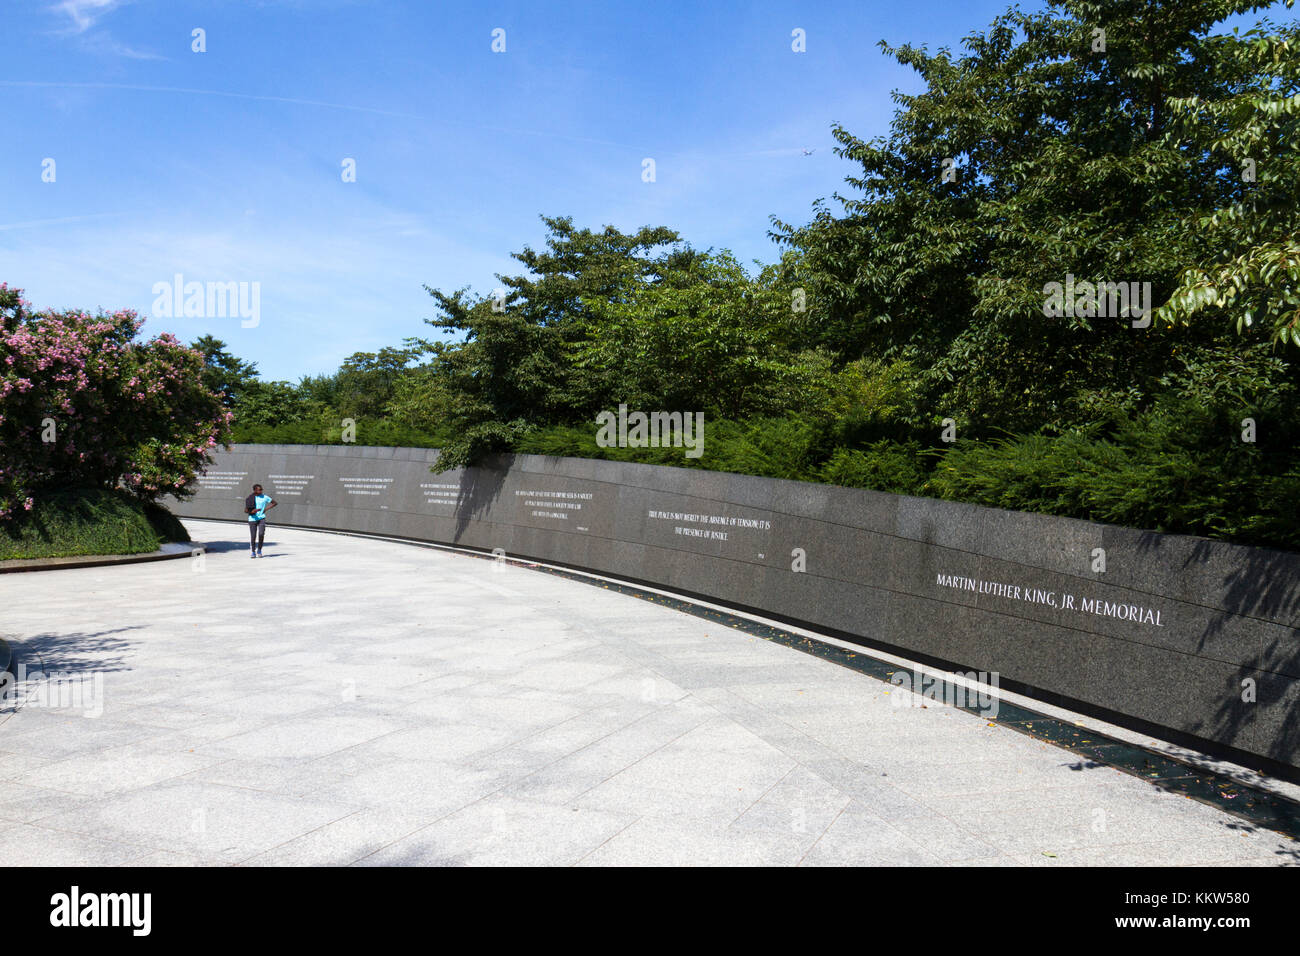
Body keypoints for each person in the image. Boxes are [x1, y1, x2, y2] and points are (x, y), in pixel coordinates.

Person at [244, 484, 277, 558]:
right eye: (259, 489)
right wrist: (252, 511)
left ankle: (259, 550)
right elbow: (246, 510)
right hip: (252, 519)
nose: (261, 491)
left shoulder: (265, 497)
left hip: (261, 518)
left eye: (261, 489)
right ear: (255, 490)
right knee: (253, 536)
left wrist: (265, 509)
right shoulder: (250, 498)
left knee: (261, 534)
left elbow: (275, 503)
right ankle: (253, 551)